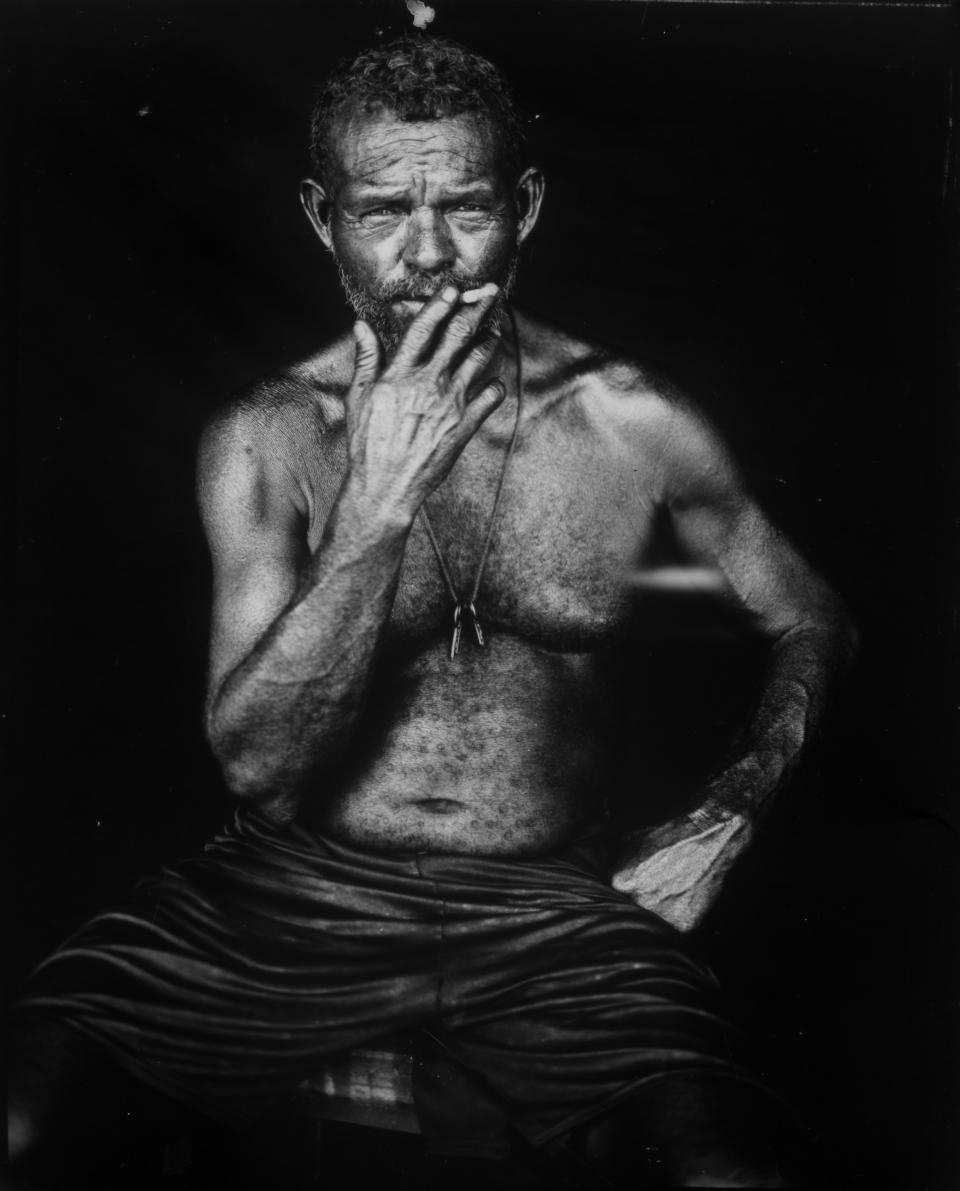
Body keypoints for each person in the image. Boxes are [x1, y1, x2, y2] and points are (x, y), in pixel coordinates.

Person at [8, 35, 854, 1189]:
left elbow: (813, 615)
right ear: (322, 217)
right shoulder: (268, 433)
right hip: (279, 897)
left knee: (735, 1170)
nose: (428, 256)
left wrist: (732, 809)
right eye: (381, 212)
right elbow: (259, 773)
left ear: (527, 206)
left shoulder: (629, 416)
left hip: (555, 913)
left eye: (464, 208)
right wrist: (378, 507)